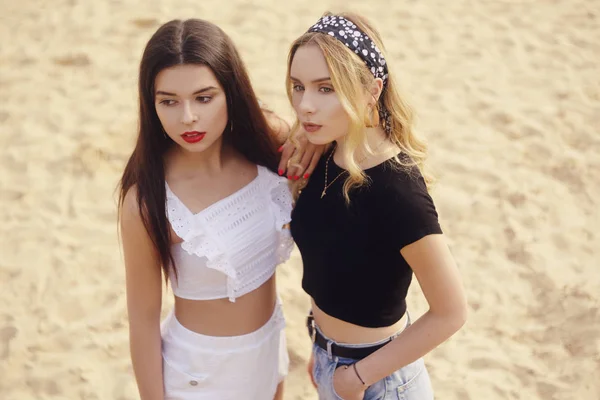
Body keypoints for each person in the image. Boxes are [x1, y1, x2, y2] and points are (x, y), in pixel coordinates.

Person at [118, 18, 319, 400]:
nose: (188, 117)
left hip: (268, 347)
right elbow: (142, 321)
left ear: (231, 91)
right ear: (151, 103)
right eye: (168, 101)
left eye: (204, 97)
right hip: (199, 374)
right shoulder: (147, 202)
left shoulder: (269, 141)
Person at [287, 12, 468, 400]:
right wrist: (323, 350)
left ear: (372, 90)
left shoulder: (397, 190)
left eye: (325, 88)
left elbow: (451, 311)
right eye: (298, 86)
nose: (305, 106)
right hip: (329, 360)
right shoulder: (329, 152)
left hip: (379, 381)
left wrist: (357, 376)